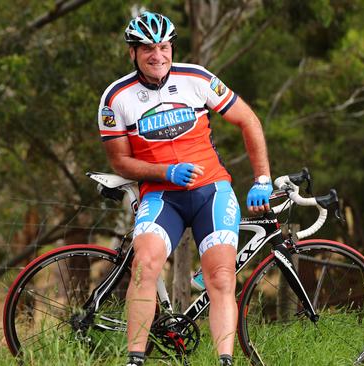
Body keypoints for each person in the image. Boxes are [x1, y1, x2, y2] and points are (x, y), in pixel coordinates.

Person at [97, 11, 272, 366]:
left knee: (221, 277)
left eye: (163, 47)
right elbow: (120, 162)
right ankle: (135, 359)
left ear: (171, 48)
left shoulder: (197, 78)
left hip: (212, 191)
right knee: (144, 266)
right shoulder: (116, 97)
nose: (156, 55)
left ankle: (224, 361)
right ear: (132, 53)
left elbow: (248, 120)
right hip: (162, 197)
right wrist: (165, 171)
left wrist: (263, 179)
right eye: (147, 48)